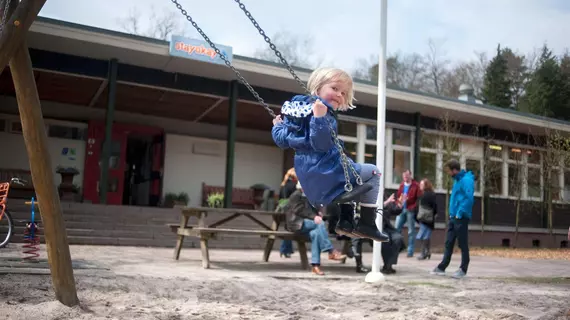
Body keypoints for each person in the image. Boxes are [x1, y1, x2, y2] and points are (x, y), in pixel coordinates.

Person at [271, 67, 388, 243]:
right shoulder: (323, 115)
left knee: (351, 175)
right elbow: (321, 144)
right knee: (373, 173)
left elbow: (282, 140)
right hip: (326, 173)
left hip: (308, 179)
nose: (339, 95)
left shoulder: (296, 114)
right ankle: (367, 223)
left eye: (343, 93)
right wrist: (319, 118)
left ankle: (346, 223)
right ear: (317, 87)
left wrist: (277, 126)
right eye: (334, 88)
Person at [284, 182, 347, 275]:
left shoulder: (307, 196)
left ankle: (315, 266)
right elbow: (299, 210)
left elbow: (311, 210)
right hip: (296, 224)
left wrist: (318, 213)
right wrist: (314, 217)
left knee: (316, 234)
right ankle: (330, 251)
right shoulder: (296, 195)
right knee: (319, 223)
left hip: (305, 225)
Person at [431, 159, 475, 279]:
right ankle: (442, 267)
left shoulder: (466, 180)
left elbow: (468, 198)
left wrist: (459, 213)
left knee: (463, 244)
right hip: (453, 217)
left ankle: (463, 269)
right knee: (449, 242)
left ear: (454, 170)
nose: (448, 173)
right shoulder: (457, 181)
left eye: (449, 171)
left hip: (461, 217)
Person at [350, 194, 405, 274]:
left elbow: (393, 210)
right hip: (373, 227)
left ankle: (388, 265)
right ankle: (387, 266)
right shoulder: (365, 195)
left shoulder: (383, 196)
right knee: (385, 239)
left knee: (398, 238)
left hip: (386, 227)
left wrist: (400, 204)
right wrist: (386, 202)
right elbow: (367, 210)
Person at [395, 170, 420, 257]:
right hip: (401, 209)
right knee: (396, 229)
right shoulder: (402, 185)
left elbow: (418, 198)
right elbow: (398, 196)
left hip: (410, 209)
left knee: (411, 231)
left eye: (406, 176)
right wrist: (398, 203)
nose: (405, 178)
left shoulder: (415, 185)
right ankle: (397, 248)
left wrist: (413, 205)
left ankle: (410, 251)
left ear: (410, 176)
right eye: (404, 176)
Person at [415, 179, 437, 260]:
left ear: (425, 185)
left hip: (424, 218)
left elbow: (419, 207)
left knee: (420, 236)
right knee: (426, 236)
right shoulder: (432, 194)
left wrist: (417, 217)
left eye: (421, 184)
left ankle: (423, 253)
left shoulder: (424, 195)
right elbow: (435, 207)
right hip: (430, 219)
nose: (420, 186)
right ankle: (426, 252)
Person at [278, 168, 298, 258]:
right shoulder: (294, 186)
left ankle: (286, 250)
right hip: (291, 211)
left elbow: (280, 200)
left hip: (282, 211)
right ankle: (285, 249)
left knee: (289, 229)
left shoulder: (283, 185)